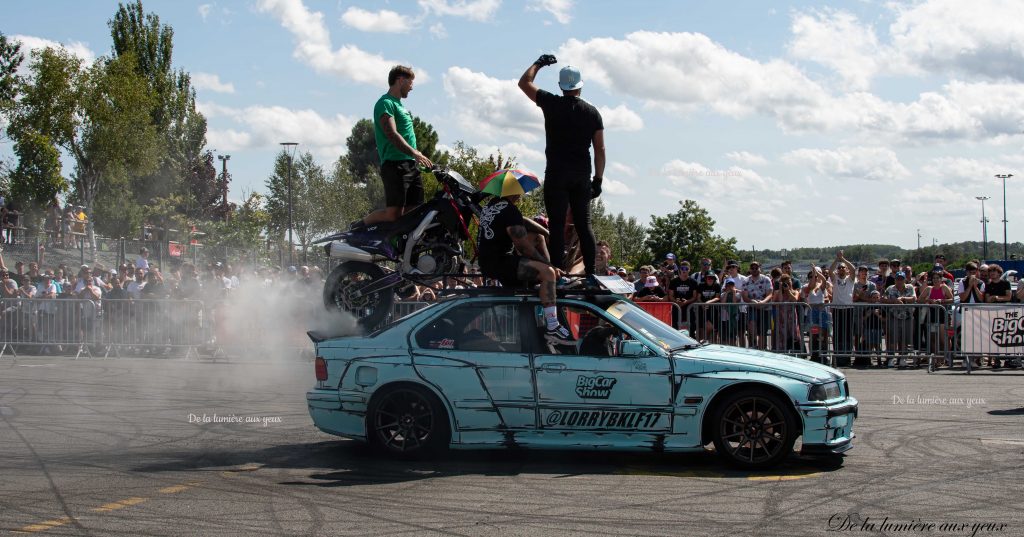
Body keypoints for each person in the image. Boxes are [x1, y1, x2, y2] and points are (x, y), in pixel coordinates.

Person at [518, 54, 604, 287]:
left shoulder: (551, 103)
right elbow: (600, 150)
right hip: (581, 175)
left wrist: (538, 63)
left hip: (556, 174)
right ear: (580, 86)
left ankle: (558, 273)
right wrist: (598, 179)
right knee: (584, 225)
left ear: (561, 86)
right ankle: (591, 275)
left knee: (556, 225)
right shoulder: (592, 113)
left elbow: (524, 83)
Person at [475, 191, 571, 345]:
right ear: (511, 191)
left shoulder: (493, 205)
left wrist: (546, 232)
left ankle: (551, 280)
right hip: (500, 263)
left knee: (537, 237)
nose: (520, 196)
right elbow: (523, 246)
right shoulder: (510, 211)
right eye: (519, 192)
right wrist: (549, 266)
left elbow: (523, 221)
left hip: (489, 261)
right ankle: (553, 326)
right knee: (546, 273)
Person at [354, 65, 433, 229]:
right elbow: (391, 133)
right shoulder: (385, 103)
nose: (412, 87)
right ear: (400, 80)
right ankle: (358, 226)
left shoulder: (400, 106)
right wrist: (415, 152)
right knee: (393, 214)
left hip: (411, 164)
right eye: (410, 82)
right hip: (394, 164)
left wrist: (415, 157)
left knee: (415, 212)